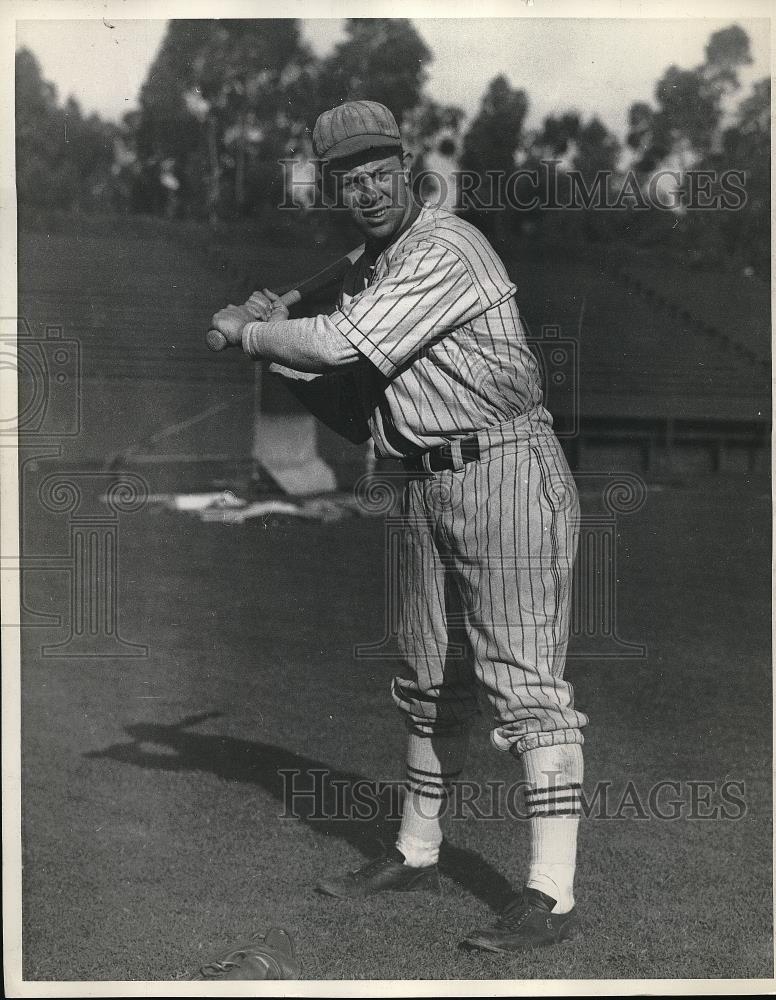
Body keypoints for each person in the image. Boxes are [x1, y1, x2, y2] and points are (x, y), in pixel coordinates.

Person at [210, 100, 588, 954]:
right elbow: (347, 396)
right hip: (421, 480)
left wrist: (249, 331)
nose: (370, 190)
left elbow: (341, 346)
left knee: (526, 689)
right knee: (428, 682)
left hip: (506, 472)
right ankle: (416, 853)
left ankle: (551, 898)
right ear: (334, 185)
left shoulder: (446, 248)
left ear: (408, 165)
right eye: (352, 179)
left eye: (382, 172)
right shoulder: (375, 265)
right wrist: (271, 339)